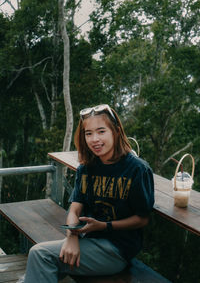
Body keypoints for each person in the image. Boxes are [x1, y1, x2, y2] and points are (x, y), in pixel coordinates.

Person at [22, 104, 154, 283]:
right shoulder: (87, 168)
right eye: (88, 133)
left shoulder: (137, 169)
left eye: (101, 131)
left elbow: (143, 219)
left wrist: (104, 226)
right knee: (36, 270)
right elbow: (74, 209)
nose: (94, 139)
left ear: (115, 131)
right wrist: (72, 237)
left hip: (117, 250)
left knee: (40, 255)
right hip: (87, 240)